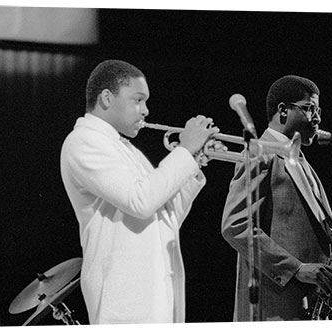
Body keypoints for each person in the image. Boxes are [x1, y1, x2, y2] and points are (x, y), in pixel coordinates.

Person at [60, 60, 220, 324]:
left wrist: (193, 164)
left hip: (154, 292)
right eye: (137, 100)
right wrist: (184, 151)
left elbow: (166, 219)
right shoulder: (84, 141)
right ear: (107, 98)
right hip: (124, 300)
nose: (145, 110)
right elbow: (141, 202)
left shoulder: (128, 149)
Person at [221, 75, 332, 321]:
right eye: (310, 108)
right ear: (283, 110)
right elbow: (235, 226)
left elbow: (305, 226)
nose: (318, 118)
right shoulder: (260, 152)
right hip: (275, 307)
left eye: (318, 110)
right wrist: (296, 269)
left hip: (308, 303)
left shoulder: (301, 161)